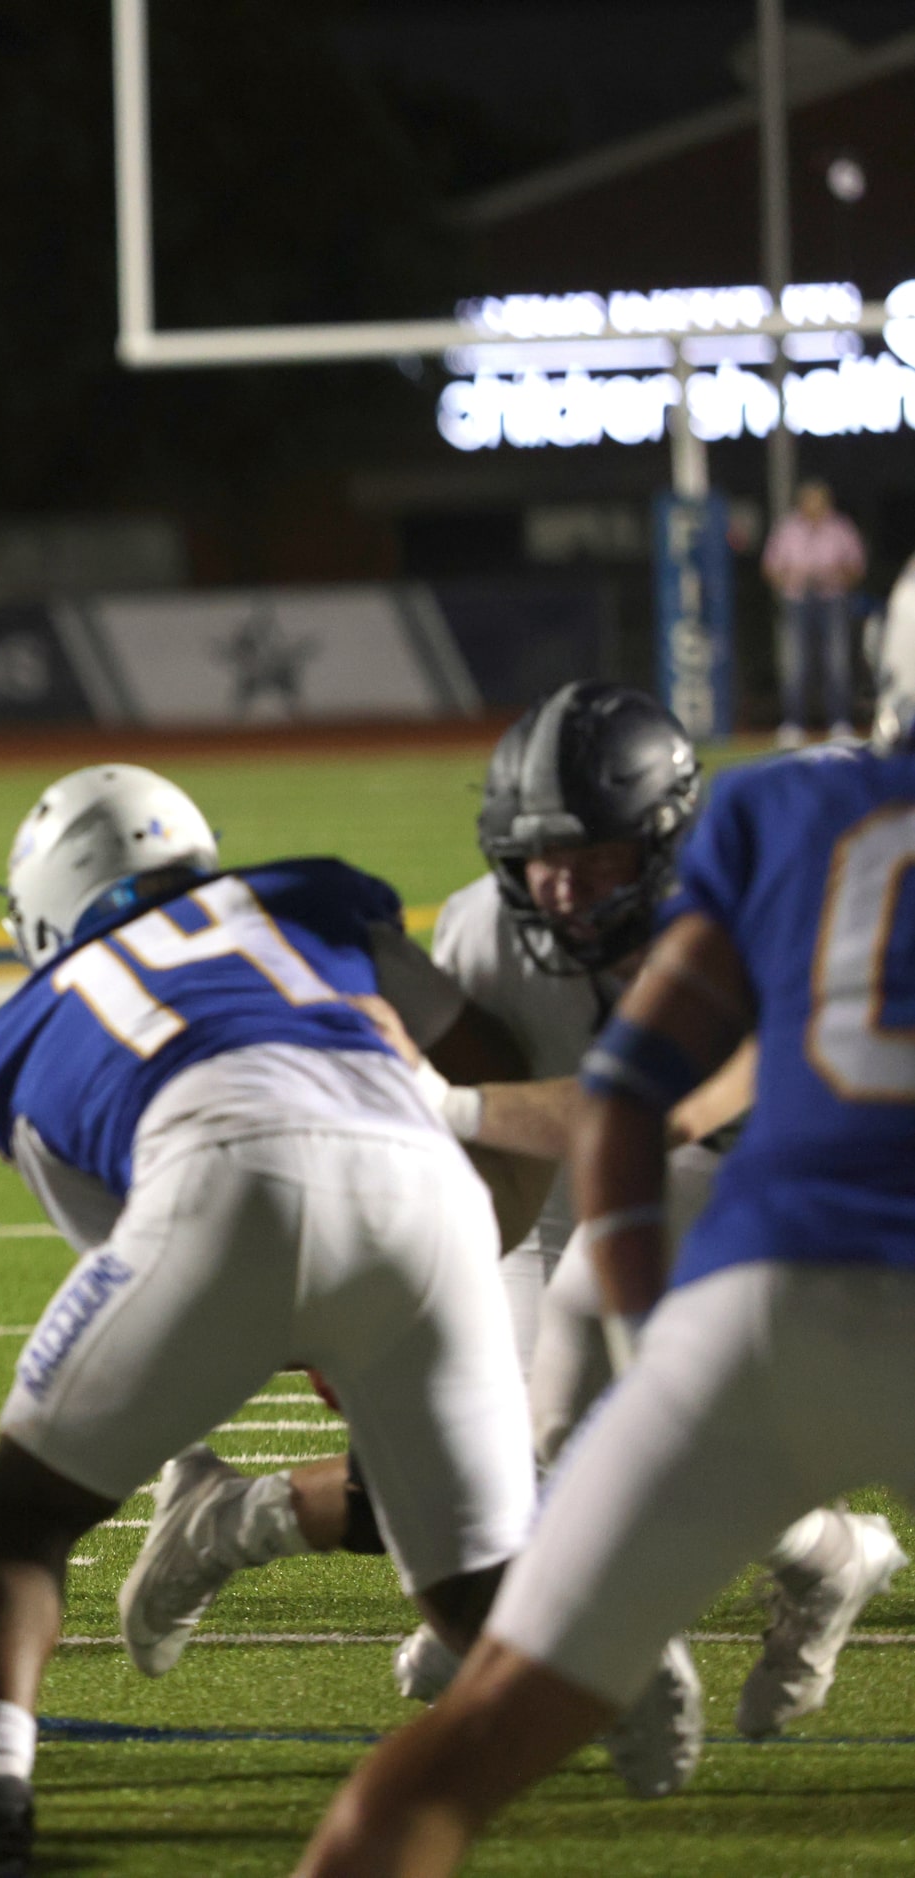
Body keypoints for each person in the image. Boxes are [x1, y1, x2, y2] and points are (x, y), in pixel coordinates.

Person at [295, 602, 915, 1878]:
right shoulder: (498, 920)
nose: (565, 885)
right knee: (525, 1428)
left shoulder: (782, 817)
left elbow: (644, 1104)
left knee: (454, 1752)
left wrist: (652, 1363)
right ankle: (823, 1555)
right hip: (673, 1226)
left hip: (754, 1270)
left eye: (596, 855)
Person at [0, 764, 539, 1876]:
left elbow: (133, 1252)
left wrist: (293, 1328)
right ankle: (628, 1665)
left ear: (45, 902)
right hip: (431, 1186)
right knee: (471, 1585)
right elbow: (493, 1067)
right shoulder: (314, 897)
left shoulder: (22, 1037)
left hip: (220, 1184)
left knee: (24, 1521)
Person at [762, 479, 866, 746]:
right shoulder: (788, 528)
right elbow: (771, 566)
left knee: (837, 662)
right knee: (795, 664)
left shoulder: (840, 527)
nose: (814, 506)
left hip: (832, 600)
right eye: (809, 500)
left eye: (819, 500)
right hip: (797, 601)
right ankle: (794, 724)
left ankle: (840, 722)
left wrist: (835, 577)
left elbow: (857, 566)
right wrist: (790, 582)